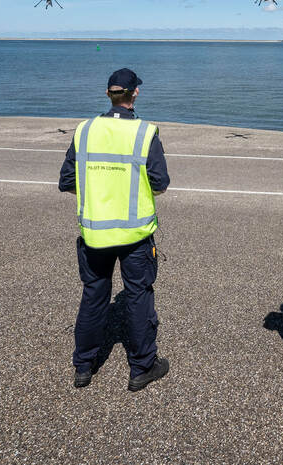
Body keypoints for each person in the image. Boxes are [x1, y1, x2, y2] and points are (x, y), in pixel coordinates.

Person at [58, 68, 171, 391]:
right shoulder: (145, 133)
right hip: (135, 234)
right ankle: (142, 368)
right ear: (136, 93)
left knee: (93, 296)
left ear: (108, 94)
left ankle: (84, 366)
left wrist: (98, 193)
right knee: (138, 297)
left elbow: (67, 181)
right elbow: (160, 184)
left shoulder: (85, 130)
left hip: (95, 232)